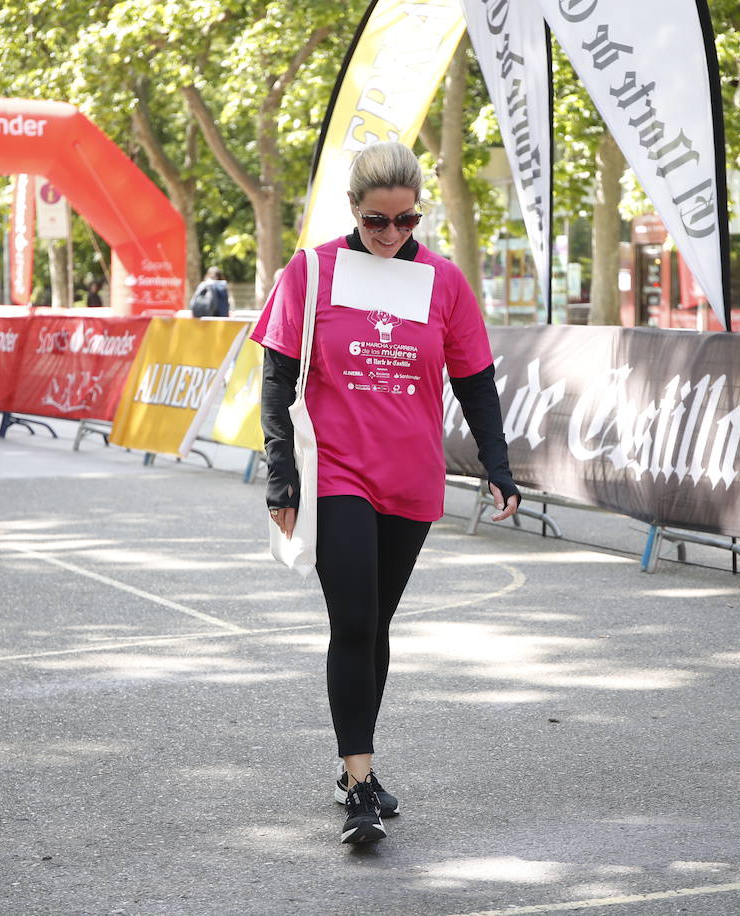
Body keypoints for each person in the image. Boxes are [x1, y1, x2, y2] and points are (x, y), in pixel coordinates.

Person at [251, 141, 520, 845]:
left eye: (407, 222)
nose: (393, 236)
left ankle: (353, 766)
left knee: (379, 625)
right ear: (353, 210)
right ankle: (361, 786)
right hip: (337, 473)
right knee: (356, 622)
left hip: (410, 476)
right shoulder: (310, 272)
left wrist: (496, 462)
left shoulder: (443, 281)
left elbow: (475, 380)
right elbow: (277, 381)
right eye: (378, 221)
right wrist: (280, 477)